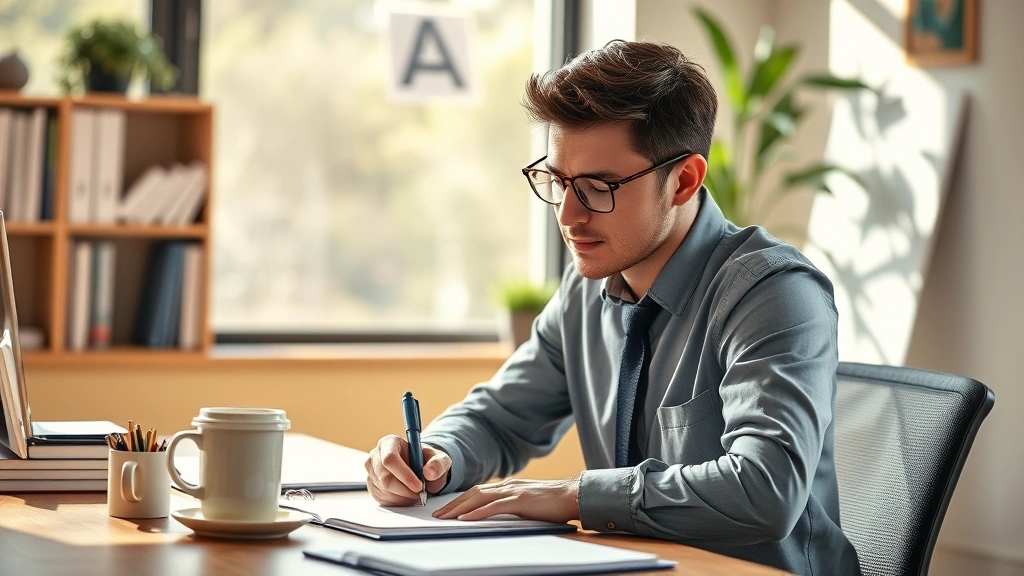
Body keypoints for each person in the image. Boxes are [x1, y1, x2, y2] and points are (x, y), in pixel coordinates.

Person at [365, 40, 860, 575]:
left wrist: (575, 495)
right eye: (558, 181)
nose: (568, 215)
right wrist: (434, 456)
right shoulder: (587, 287)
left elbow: (766, 489)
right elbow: (501, 417)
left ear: (684, 180)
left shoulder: (773, 293)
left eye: (597, 187)